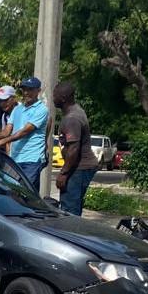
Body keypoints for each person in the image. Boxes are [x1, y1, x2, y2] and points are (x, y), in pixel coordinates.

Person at [0, 77, 49, 193]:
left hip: (32, 158)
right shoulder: (17, 109)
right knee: (10, 191)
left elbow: (25, 131)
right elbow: (7, 130)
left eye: (30, 89)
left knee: (26, 193)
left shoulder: (41, 109)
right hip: (15, 158)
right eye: (24, 89)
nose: (27, 92)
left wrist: (4, 141)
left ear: (38, 90)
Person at [53, 82, 98, 215]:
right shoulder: (75, 111)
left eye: (55, 95)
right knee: (73, 207)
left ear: (63, 98)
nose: (53, 98)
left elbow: (73, 149)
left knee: (69, 209)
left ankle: (70, 234)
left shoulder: (72, 118)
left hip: (78, 169)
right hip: (79, 168)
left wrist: (64, 173)